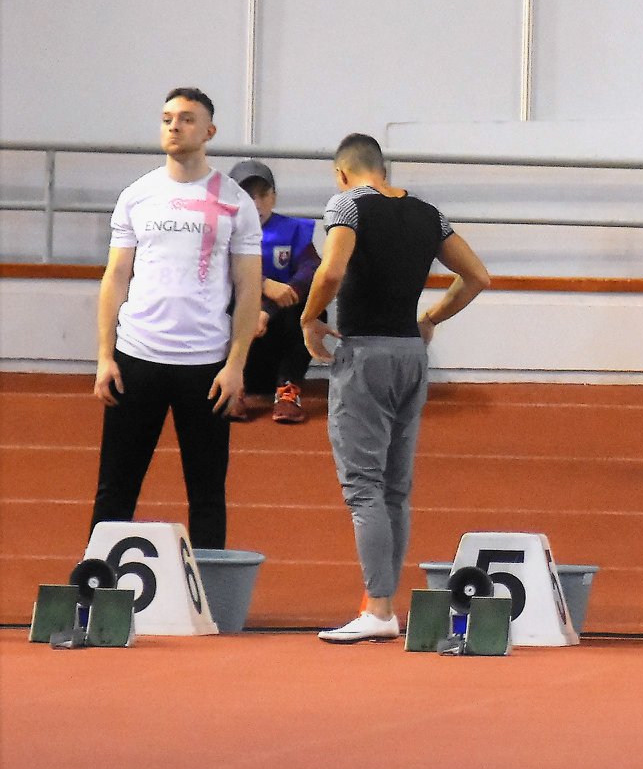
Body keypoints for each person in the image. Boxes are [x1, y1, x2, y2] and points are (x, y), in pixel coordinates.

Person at [301, 134, 489, 643]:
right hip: (410, 354)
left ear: (342, 173)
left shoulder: (346, 205)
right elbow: (476, 276)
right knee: (394, 489)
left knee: (363, 487)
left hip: (365, 355)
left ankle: (379, 607)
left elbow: (332, 270)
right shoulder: (429, 214)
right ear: (382, 168)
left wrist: (309, 318)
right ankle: (383, 604)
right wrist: (431, 318)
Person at [90, 87, 262, 549]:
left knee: (207, 493)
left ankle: (209, 587)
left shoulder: (234, 202)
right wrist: (105, 356)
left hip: (205, 367)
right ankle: (95, 581)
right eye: (167, 117)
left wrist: (236, 365)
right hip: (137, 359)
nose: (174, 126)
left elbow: (249, 288)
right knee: (115, 488)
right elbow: (115, 277)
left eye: (186, 118)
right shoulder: (137, 195)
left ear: (209, 131)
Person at [228, 159, 321, 424]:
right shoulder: (221, 231)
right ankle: (233, 386)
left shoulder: (292, 230)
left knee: (311, 308)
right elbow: (218, 271)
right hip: (238, 333)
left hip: (278, 334)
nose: (256, 203)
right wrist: (263, 285)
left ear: (274, 197)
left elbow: (311, 269)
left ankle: (287, 391)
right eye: (248, 195)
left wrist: (267, 310)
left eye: (263, 194)